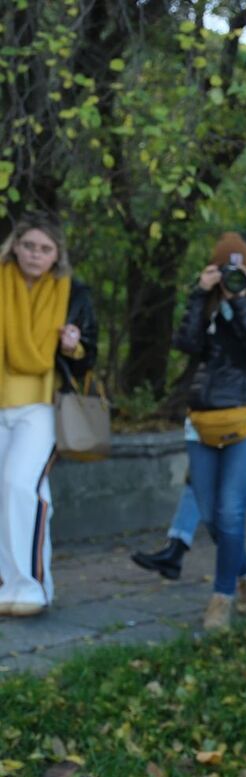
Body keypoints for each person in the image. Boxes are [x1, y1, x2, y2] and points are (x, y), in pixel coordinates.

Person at [132, 233, 246, 581]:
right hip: (212, 405)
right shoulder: (211, 300)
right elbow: (187, 343)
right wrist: (200, 294)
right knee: (205, 486)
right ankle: (181, 546)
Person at [173, 232, 246, 630]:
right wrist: (199, 296)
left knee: (231, 510)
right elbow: (184, 343)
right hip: (202, 419)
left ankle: (222, 598)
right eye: (226, 271)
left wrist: (241, 304)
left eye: (240, 271)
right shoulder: (207, 306)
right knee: (211, 516)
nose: (233, 277)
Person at [0, 212, 97, 617]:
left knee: (19, 486)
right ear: (15, 246)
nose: (35, 255)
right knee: (18, 494)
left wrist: (74, 346)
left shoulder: (72, 291)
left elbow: (89, 356)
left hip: (42, 405)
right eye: (28, 246)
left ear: (57, 254)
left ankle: (30, 586)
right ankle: (14, 585)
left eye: (44, 248)